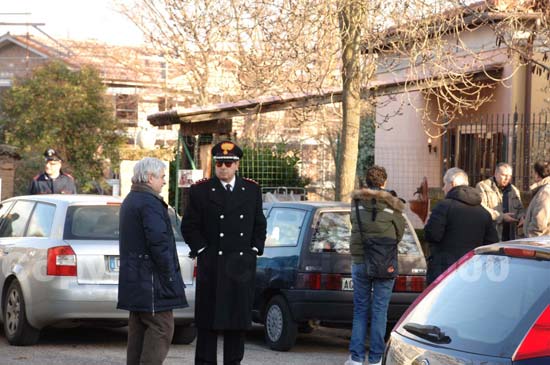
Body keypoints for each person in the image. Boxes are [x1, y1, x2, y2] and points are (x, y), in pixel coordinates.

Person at [181, 140, 267, 365]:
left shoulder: (251, 190)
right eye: (219, 163)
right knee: (208, 324)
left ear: (237, 165)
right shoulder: (200, 190)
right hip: (212, 267)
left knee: (236, 324)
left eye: (228, 163)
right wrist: (202, 250)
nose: (224, 168)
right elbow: (189, 225)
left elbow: (259, 222)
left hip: (240, 269)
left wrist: (255, 248)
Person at [117, 157, 188, 365]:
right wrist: (169, 276)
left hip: (138, 279)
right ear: (150, 177)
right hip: (152, 281)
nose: (164, 181)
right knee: (162, 328)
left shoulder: (132, 199)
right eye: (162, 177)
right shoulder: (149, 203)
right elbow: (159, 243)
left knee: (139, 329)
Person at [345, 165, 405, 365]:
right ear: (384, 182)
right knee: (380, 310)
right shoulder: (393, 205)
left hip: (361, 260)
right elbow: (399, 234)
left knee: (360, 309)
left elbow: (354, 225)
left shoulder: (356, 203)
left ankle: (356, 358)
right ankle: (376, 359)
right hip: (384, 261)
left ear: (367, 182)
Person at [425, 167, 498, 284]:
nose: (443, 188)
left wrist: (428, 225)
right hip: (473, 269)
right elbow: (492, 242)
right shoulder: (483, 212)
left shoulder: (444, 206)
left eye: (445, 184)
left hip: (444, 269)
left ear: (452, 184)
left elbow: (432, 235)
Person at [476, 163, 524, 240]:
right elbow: (481, 208)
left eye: (509, 176)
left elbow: (520, 209)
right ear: (495, 174)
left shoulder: (514, 190)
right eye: (504, 175)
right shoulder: (483, 187)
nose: (507, 178)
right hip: (492, 235)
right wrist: (501, 217)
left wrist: (522, 217)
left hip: (510, 236)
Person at [522, 161, 550, 237]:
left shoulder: (545, 192)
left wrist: (529, 241)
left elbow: (539, 223)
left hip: (539, 243)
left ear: (537, 175)